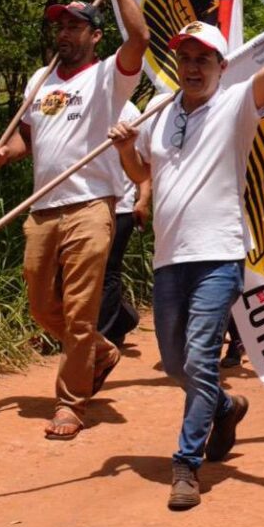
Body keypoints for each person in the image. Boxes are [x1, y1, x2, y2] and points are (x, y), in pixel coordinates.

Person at [109, 0, 264, 509]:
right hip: (170, 256)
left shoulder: (236, 103)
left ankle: (186, 464)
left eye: (203, 58)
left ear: (221, 65)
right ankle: (227, 408)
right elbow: (143, 176)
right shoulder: (156, 113)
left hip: (219, 254)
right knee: (173, 363)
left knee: (202, 358)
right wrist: (125, 148)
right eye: (185, 58)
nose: (192, 67)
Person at [0, 0, 149, 440]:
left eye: (74, 24)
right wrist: (1, 151)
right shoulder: (41, 79)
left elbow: (139, 36)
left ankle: (71, 403)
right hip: (42, 207)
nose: (64, 31)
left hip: (91, 207)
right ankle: (99, 351)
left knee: (78, 311)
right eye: (60, 24)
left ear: (96, 36)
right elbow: (27, 139)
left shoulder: (107, 79)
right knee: (38, 304)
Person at [98, 100, 152, 348]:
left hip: (120, 207)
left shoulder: (129, 111)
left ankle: (103, 336)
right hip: (87, 205)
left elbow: (143, 161)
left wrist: (143, 199)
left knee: (109, 269)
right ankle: (123, 319)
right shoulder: (86, 103)